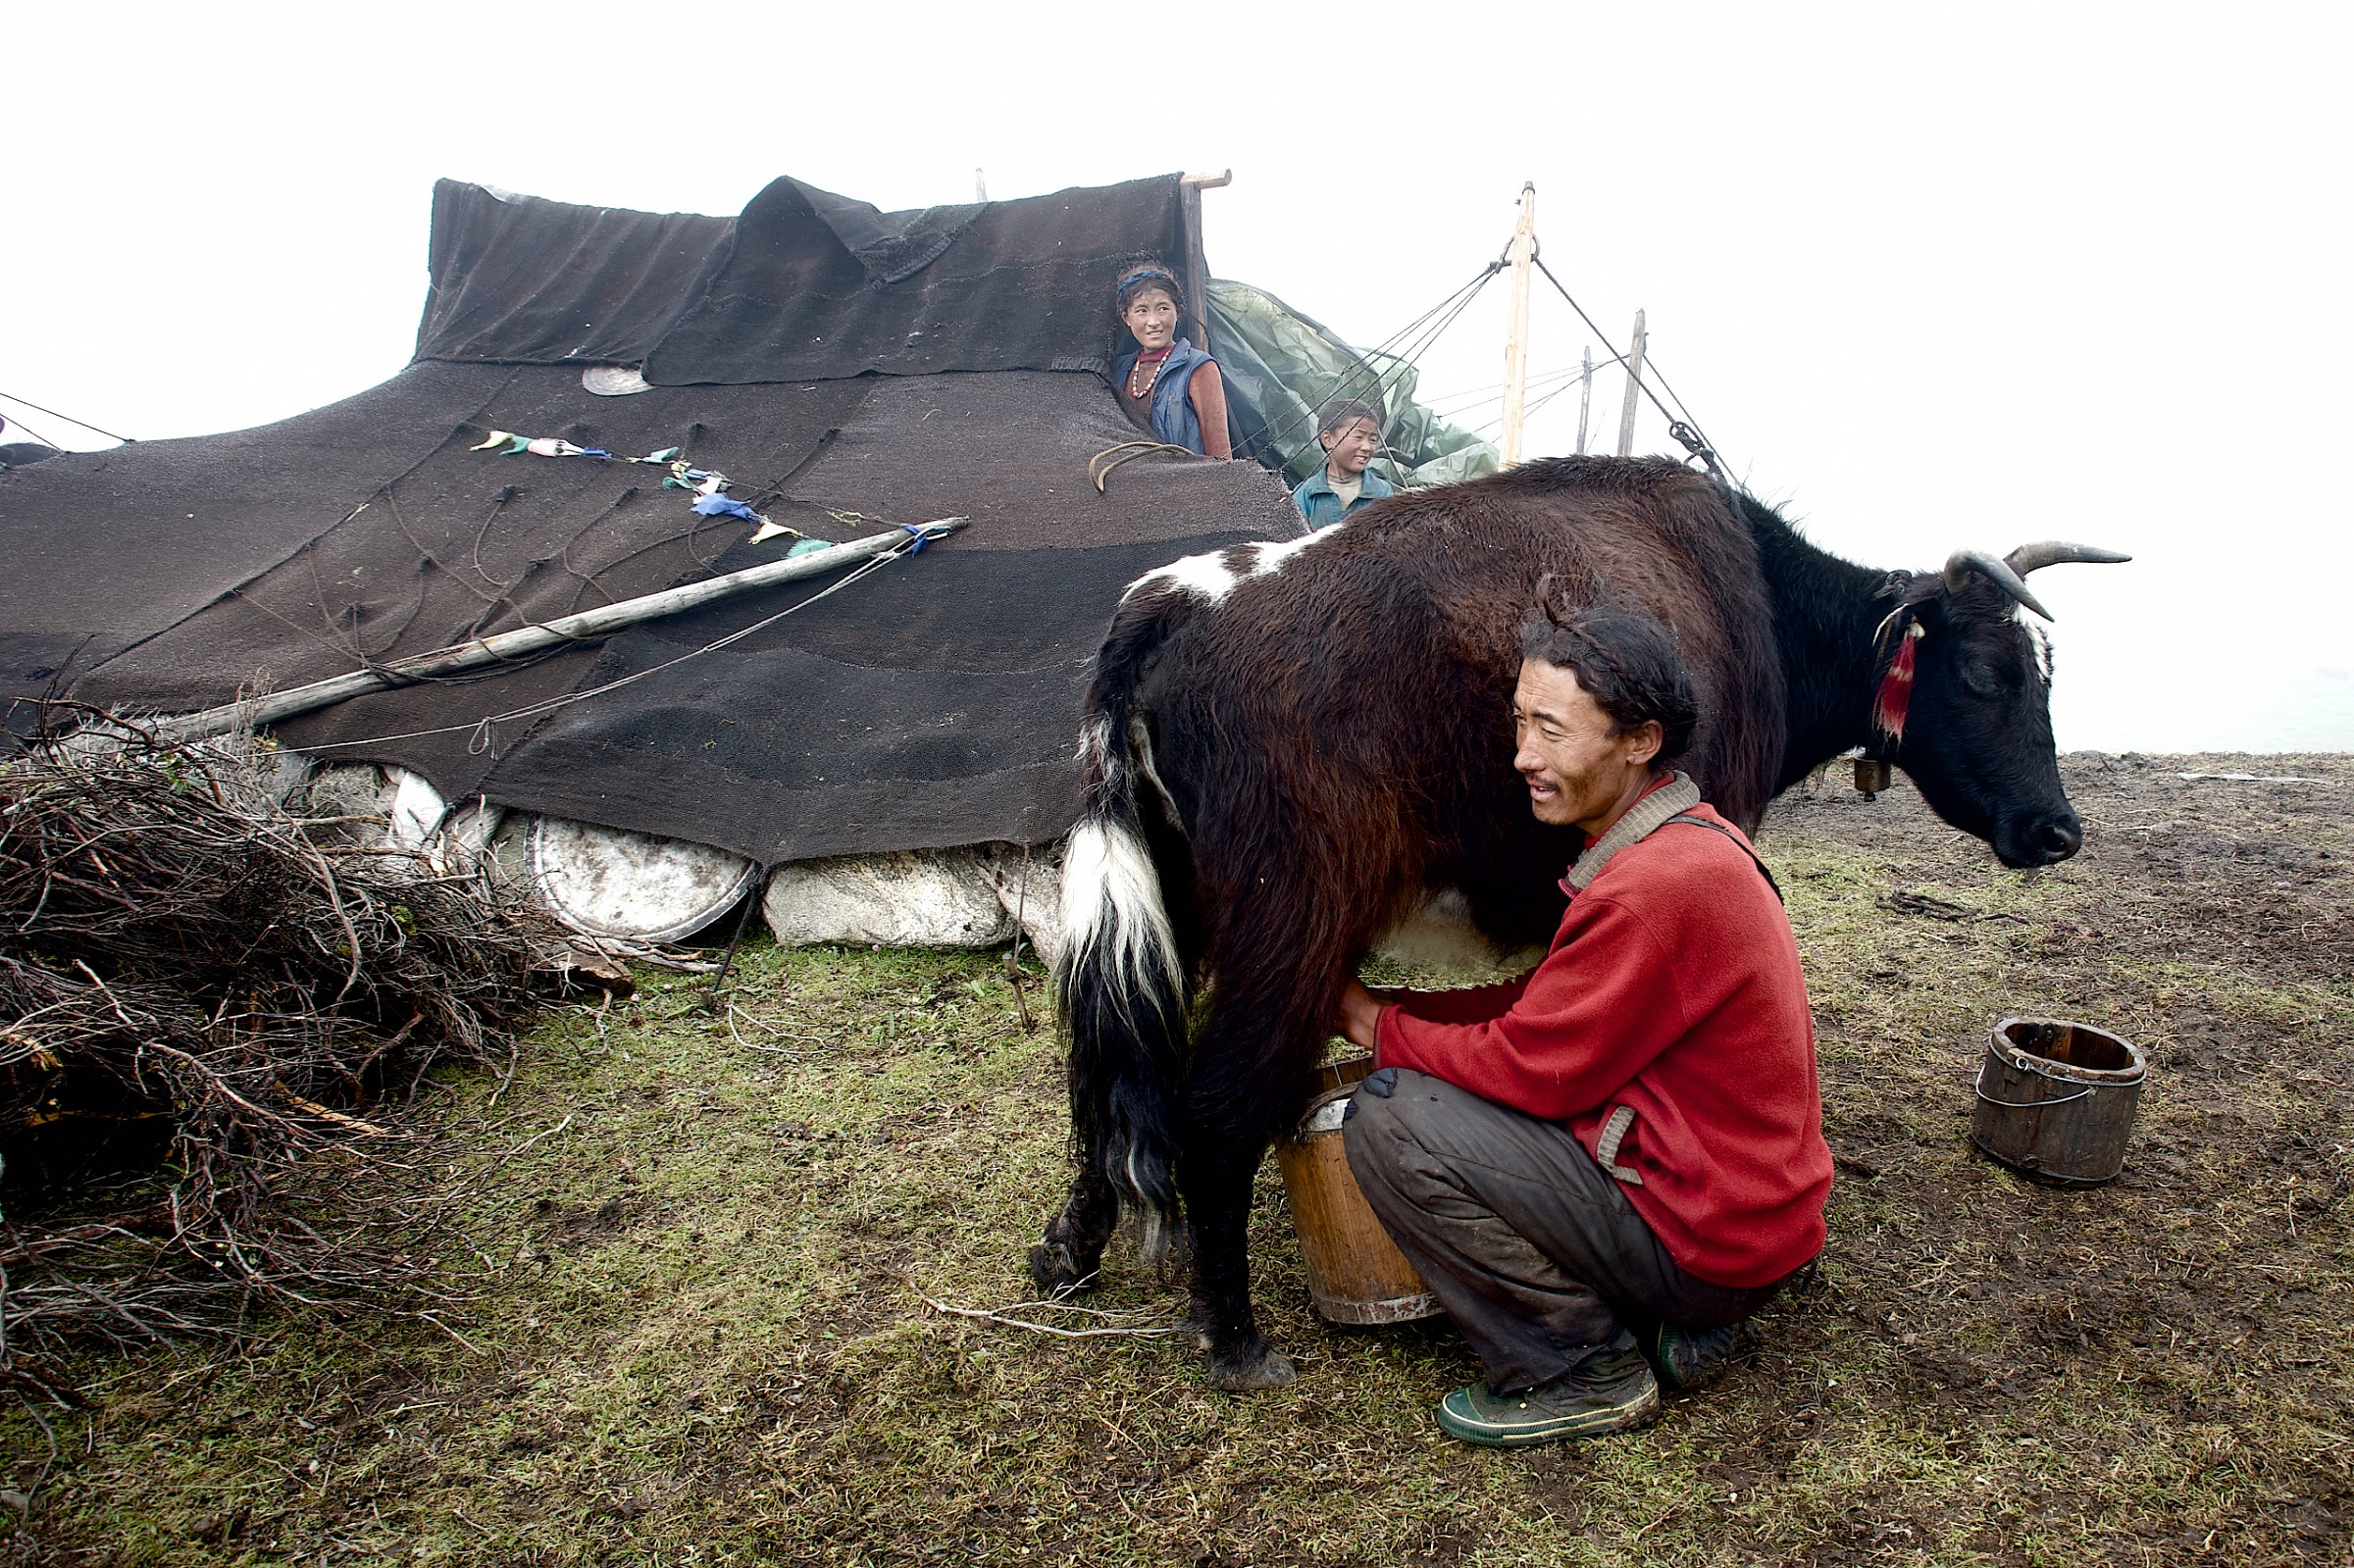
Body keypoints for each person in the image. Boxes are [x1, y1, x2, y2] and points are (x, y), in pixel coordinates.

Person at [1333, 605, 1831, 1447]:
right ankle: (1683, 1318)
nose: (1524, 755)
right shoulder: (1688, 839)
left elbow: (1533, 1062)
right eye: (1521, 722)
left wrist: (1375, 1026)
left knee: (1391, 1118)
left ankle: (1578, 1363)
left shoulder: (1652, 889)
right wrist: (1396, 1007)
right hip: (1753, 1224)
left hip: (1708, 1241)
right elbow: (1551, 1004)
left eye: (1554, 730)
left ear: (1639, 740)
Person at [1109, 262, 1231, 459]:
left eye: (1163, 308)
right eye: (1142, 310)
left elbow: (1221, 455)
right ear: (1126, 317)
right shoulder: (1119, 369)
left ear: (1178, 311)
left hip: (1188, 484)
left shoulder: (1199, 368)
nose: (1154, 321)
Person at [1291, 397, 1393, 528]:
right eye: (1358, 437)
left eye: (1373, 440)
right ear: (1327, 439)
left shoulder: (1382, 493)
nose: (1367, 447)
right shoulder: (1306, 494)